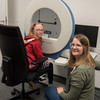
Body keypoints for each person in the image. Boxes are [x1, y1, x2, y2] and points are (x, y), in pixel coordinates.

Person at [45, 34, 100, 100]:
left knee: (49, 89)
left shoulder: (80, 71)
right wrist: (50, 60)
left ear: (85, 48)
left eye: (78, 45)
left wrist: (61, 92)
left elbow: (69, 98)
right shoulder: (89, 60)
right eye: (73, 44)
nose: (74, 47)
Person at [24, 22, 53, 88]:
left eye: (42, 30)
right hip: (32, 66)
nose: (40, 32)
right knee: (50, 65)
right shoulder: (36, 42)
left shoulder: (28, 38)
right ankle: (50, 85)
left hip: (24, 65)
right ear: (33, 30)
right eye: (38, 30)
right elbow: (39, 56)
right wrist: (46, 60)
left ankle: (34, 80)